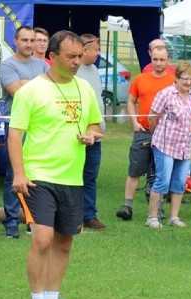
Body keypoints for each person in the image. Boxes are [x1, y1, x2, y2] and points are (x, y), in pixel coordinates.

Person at [8, 30, 103, 299]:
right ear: (52, 57)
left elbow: (96, 124)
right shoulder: (30, 91)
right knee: (42, 239)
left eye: (80, 56)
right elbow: (15, 135)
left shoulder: (85, 88)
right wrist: (20, 174)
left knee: (63, 242)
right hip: (38, 177)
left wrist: (91, 135)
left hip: (72, 178)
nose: (77, 61)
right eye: (71, 56)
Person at [0, 26, 49, 239]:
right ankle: (11, 222)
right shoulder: (7, 66)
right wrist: (33, 86)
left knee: (38, 175)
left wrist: (27, 84)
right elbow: (18, 93)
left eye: (32, 40)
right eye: (25, 40)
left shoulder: (42, 65)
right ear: (15, 42)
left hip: (40, 127)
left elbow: (50, 92)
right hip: (17, 127)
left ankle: (33, 219)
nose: (29, 44)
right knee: (15, 174)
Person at [115, 46, 173, 221]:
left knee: (160, 172)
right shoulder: (141, 79)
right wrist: (134, 121)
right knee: (135, 170)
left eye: (162, 60)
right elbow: (131, 101)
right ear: (151, 59)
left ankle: (157, 208)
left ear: (168, 61)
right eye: (155, 59)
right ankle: (127, 206)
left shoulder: (173, 81)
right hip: (143, 131)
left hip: (165, 134)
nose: (158, 63)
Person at [147, 61, 191, 229]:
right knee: (163, 180)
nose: (188, 82)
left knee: (179, 182)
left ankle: (174, 217)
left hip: (184, 146)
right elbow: (152, 117)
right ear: (176, 78)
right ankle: (152, 217)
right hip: (165, 144)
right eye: (185, 78)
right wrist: (156, 134)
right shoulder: (165, 94)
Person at [76, 34, 106, 231]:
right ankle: (73, 216)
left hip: (96, 135)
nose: (98, 53)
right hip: (79, 135)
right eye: (96, 49)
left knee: (90, 175)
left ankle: (89, 215)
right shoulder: (75, 71)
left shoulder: (94, 70)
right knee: (75, 176)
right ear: (85, 49)